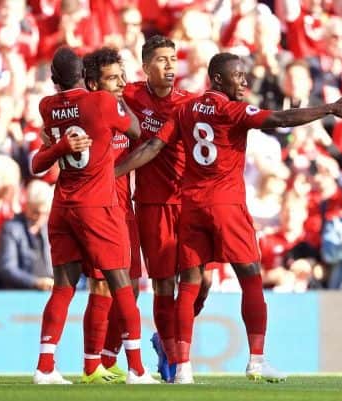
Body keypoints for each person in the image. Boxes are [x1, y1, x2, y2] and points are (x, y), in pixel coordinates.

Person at [118, 52, 342, 383]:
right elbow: (282, 120)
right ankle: (256, 361)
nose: (244, 82)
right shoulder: (233, 111)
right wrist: (327, 109)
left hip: (192, 207)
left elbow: (153, 146)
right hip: (227, 206)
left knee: (189, 285)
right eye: (238, 76)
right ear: (218, 79)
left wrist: (113, 171)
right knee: (251, 278)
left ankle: (182, 368)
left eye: (245, 76)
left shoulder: (184, 109)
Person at [31, 46, 157, 385]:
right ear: (86, 78)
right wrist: (118, 103)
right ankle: (137, 370)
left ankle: (45, 367)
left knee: (63, 288)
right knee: (122, 286)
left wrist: (58, 145)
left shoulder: (47, 106)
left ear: (54, 79)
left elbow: (37, 163)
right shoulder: (99, 103)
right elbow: (135, 131)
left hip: (62, 206)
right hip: (96, 206)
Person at [119, 35, 213, 382]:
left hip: (188, 203)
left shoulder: (188, 103)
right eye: (161, 59)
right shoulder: (130, 95)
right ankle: (174, 359)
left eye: (173, 58)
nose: (170, 65)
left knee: (203, 280)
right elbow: (94, 99)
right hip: (152, 204)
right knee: (162, 285)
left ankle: (167, 339)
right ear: (145, 68)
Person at [79, 47, 142, 383]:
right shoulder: (85, 111)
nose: (121, 84)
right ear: (92, 83)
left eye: (122, 76)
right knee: (102, 287)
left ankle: (107, 356)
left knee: (131, 287)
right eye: (112, 78)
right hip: (98, 209)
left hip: (124, 208)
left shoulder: (125, 103)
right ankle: (92, 364)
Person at [0, 179, 55, 290]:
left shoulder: (50, 228)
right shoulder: (11, 229)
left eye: (45, 213)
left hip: (49, 290)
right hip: (20, 294)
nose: (40, 218)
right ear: (27, 206)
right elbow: (7, 268)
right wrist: (36, 282)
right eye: (36, 212)